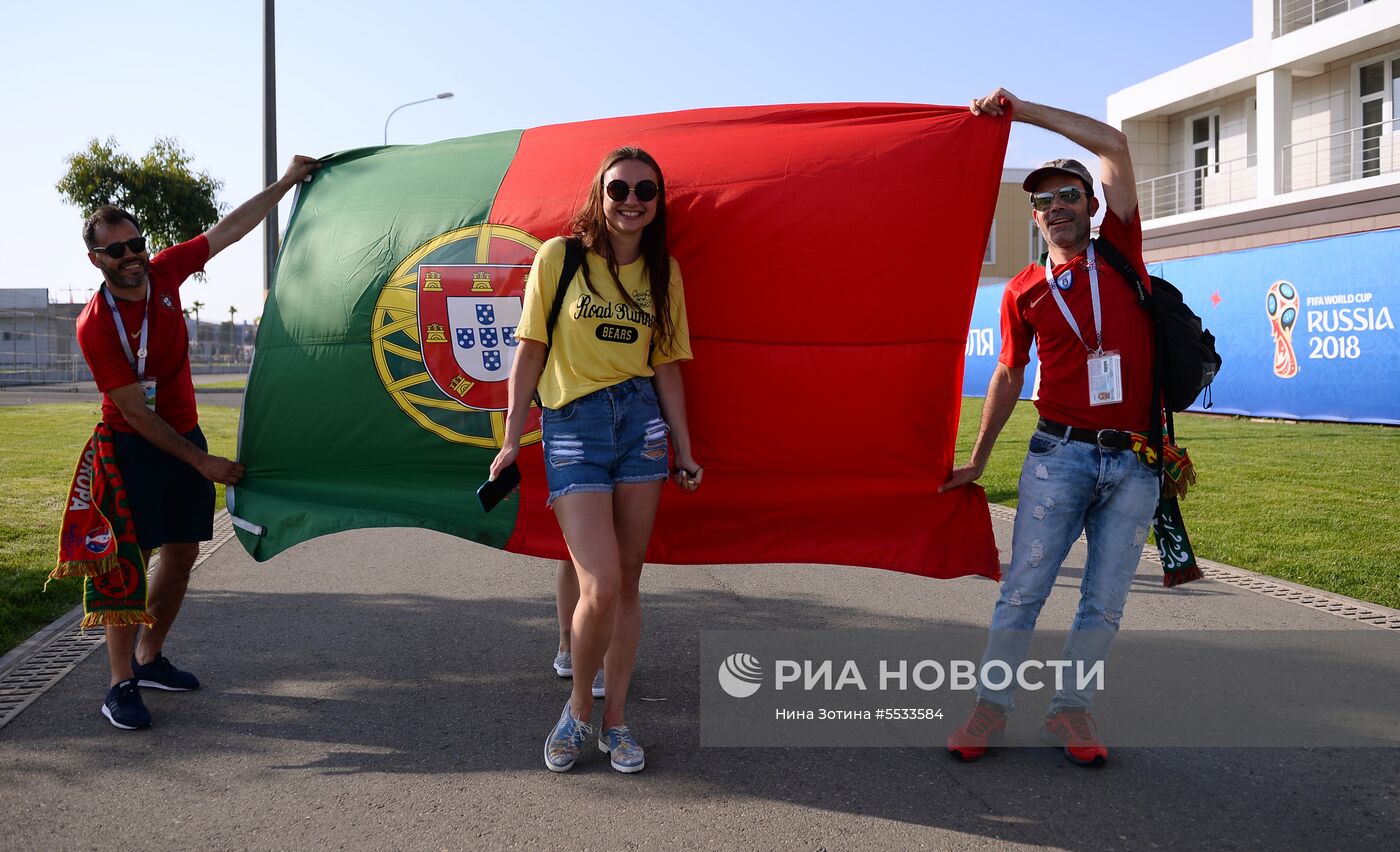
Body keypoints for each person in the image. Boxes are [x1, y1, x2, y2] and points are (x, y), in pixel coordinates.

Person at [941, 89, 1158, 767]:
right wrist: (977, 459)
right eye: (1044, 201)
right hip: (1056, 456)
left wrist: (1023, 112)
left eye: (1070, 194)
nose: (1056, 207)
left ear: (1093, 208)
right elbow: (1008, 375)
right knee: (1025, 591)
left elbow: (1115, 146)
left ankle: (1071, 711)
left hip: (1135, 461)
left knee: (1104, 602)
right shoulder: (1023, 289)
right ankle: (989, 707)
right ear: (1033, 217)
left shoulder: (1120, 248)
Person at [76, 155, 321, 730]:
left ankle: (150, 657)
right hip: (130, 446)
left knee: (183, 553)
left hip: (183, 436)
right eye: (117, 250)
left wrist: (285, 184)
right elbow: (135, 414)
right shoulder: (95, 325)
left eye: (136, 242)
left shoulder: (163, 274)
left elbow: (228, 230)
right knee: (128, 565)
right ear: (96, 260)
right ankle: (119, 685)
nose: (132, 255)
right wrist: (202, 460)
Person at [490, 146, 701, 773]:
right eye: (619, 190)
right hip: (573, 424)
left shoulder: (666, 272)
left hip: (643, 427)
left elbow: (667, 365)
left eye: (645, 191)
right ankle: (578, 709)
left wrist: (685, 449)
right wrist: (509, 438)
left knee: (629, 578)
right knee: (600, 582)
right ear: (598, 195)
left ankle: (616, 722)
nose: (631, 202)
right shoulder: (560, 257)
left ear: (658, 202)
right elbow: (528, 352)